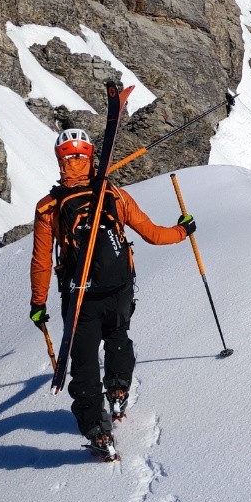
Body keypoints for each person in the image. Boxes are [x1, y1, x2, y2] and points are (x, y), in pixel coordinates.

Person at [28, 128, 195, 461]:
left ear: (60, 161)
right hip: (119, 289)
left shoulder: (49, 207)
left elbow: (42, 259)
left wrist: (38, 303)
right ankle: (118, 388)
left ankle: (96, 431)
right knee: (118, 336)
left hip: (79, 299)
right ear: (91, 157)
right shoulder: (114, 196)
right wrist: (184, 229)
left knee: (85, 363)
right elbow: (153, 235)